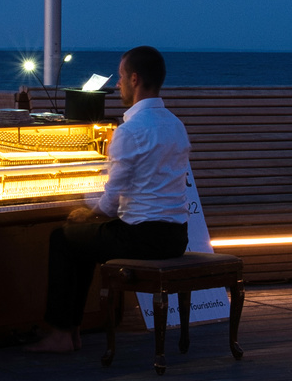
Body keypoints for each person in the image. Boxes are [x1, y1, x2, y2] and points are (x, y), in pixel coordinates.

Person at [28, 46, 190, 354]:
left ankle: (62, 332)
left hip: (140, 238)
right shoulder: (175, 125)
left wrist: (85, 211)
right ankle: (73, 330)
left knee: (63, 238)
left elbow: (111, 203)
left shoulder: (130, 131)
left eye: (119, 77)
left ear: (134, 79)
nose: (117, 85)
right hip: (175, 236)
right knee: (84, 241)